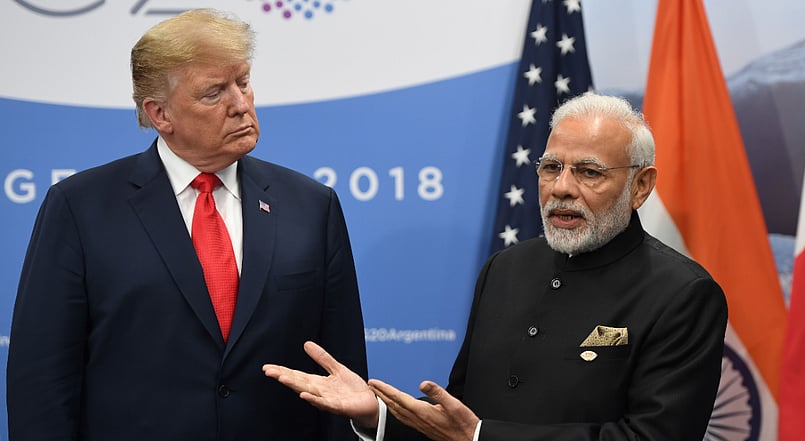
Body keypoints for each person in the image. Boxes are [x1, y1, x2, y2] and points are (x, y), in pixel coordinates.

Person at [263, 92, 728, 441]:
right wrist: (377, 414)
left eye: (589, 172)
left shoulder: (682, 294)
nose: (562, 188)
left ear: (642, 186)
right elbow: (459, 419)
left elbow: (653, 438)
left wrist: (484, 438)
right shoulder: (506, 269)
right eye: (550, 168)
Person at [6, 8, 367, 441]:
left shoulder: (311, 206)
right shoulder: (80, 208)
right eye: (214, 93)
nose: (240, 104)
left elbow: (341, 377)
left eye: (244, 82)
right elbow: (42, 381)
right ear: (160, 114)